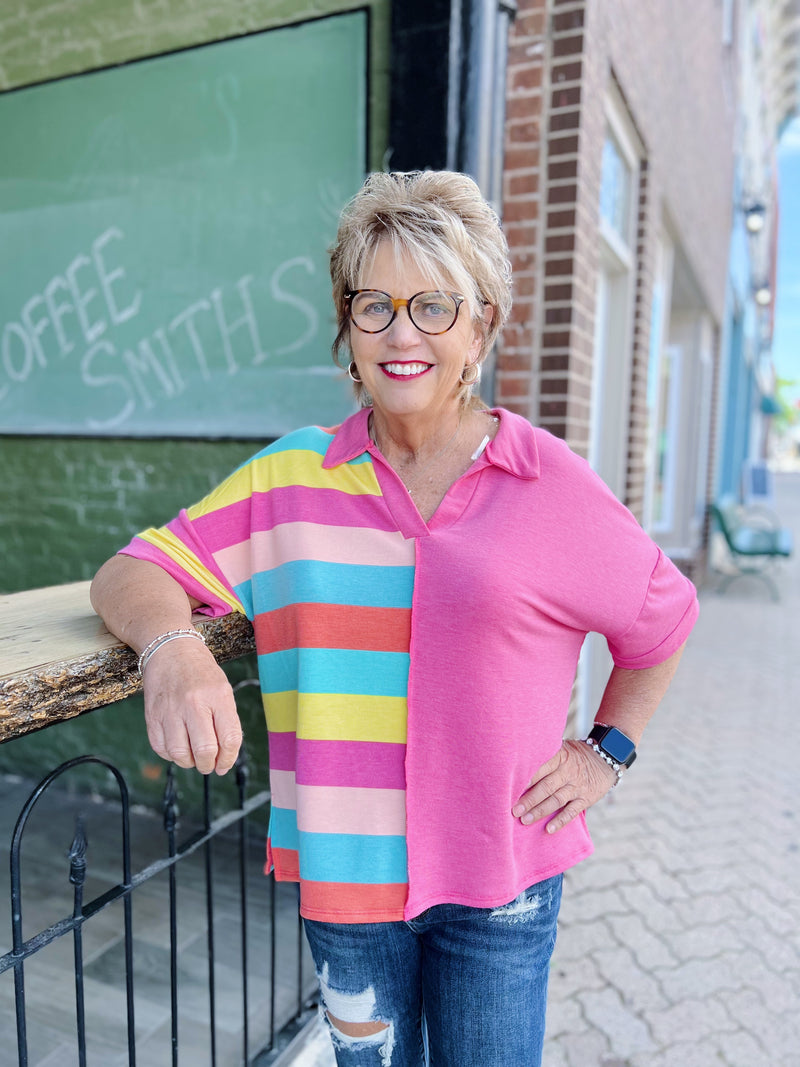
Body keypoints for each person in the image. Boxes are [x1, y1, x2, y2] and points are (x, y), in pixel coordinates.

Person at [91, 170, 698, 1067]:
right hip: (344, 886)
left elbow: (664, 621)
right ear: (348, 327)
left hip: (502, 883)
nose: (401, 332)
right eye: (374, 305)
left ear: (481, 325)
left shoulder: (549, 483)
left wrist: (605, 751)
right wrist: (174, 646)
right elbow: (132, 570)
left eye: (433, 305)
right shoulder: (290, 479)